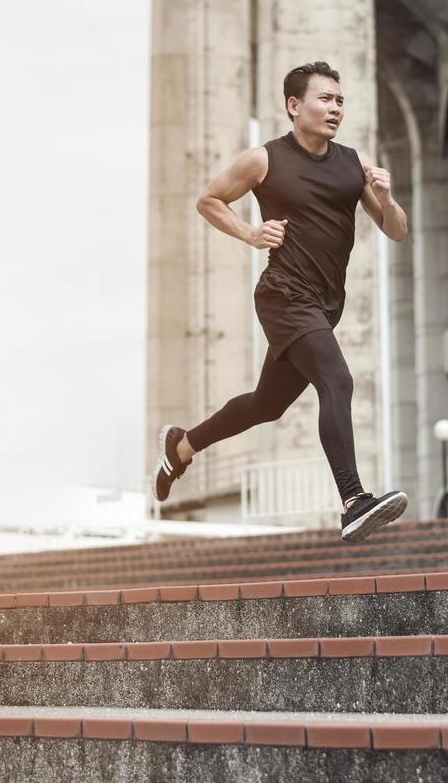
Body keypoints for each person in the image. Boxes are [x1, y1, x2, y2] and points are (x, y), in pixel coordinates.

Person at [153, 61, 410, 542]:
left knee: (266, 404)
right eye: (324, 99)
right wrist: (251, 232)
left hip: (323, 304)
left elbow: (395, 231)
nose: (335, 108)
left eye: (339, 100)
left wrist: (386, 196)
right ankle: (354, 501)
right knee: (337, 380)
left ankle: (181, 447)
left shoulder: (354, 164)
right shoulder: (263, 159)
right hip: (283, 294)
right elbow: (209, 199)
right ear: (295, 105)